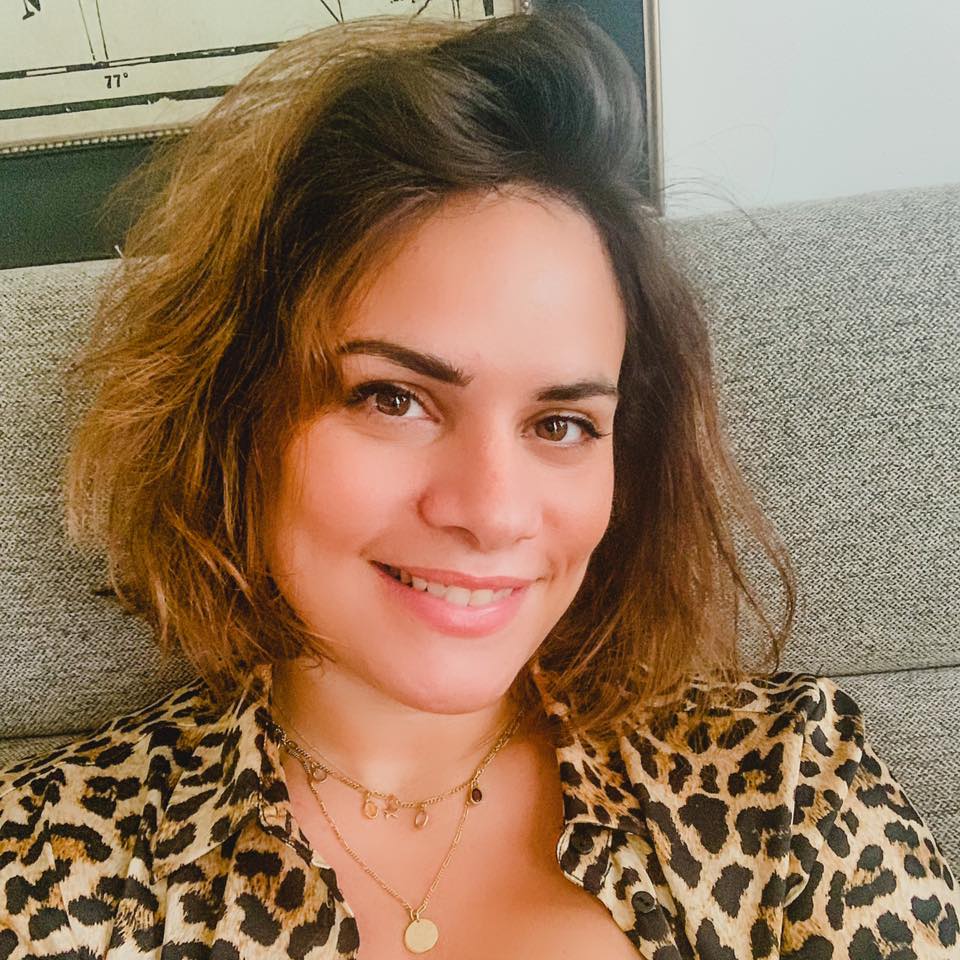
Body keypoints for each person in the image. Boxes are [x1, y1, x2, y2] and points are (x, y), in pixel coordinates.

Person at [1, 9, 957, 960]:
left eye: (561, 424)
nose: (493, 511)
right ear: (237, 415)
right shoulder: (49, 864)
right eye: (393, 399)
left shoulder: (789, 793)